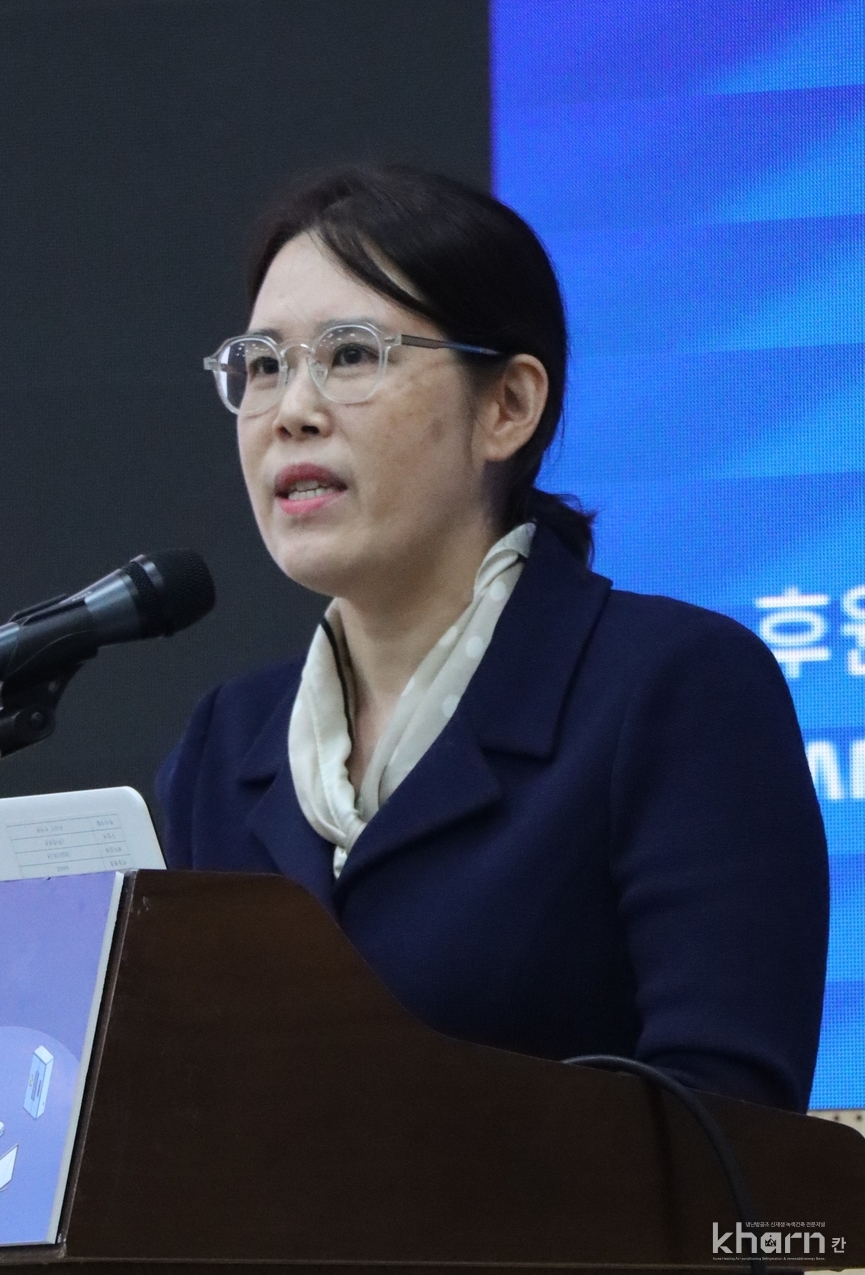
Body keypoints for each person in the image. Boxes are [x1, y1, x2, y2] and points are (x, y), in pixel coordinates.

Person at [157, 165, 828, 1113]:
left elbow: (728, 1131)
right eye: (262, 365)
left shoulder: (671, 689)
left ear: (507, 405)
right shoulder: (224, 750)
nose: (291, 410)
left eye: (350, 354)